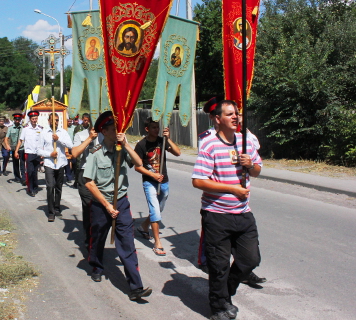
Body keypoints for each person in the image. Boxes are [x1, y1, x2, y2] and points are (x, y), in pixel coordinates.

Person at [192, 100, 262, 320]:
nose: (235, 117)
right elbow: (198, 181)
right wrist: (231, 189)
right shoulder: (210, 145)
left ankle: (226, 294)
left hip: (242, 212)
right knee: (219, 265)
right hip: (217, 215)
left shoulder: (245, 142)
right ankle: (218, 307)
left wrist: (250, 164)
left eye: (237, 113)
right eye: (230, 114)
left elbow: (258, 170)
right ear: (217, 119)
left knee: (250, 259)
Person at [83, 111, 152, 301]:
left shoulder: (123, 150)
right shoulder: (95, 155)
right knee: (98, 237)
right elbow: (89, 183)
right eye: (113, 129)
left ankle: (135, 286)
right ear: (104, 132)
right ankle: (96, 265)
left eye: (118, 128)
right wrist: (106, 205)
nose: (117, 132)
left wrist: (127, 144)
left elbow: (139, 163)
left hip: (121, 201)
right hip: (100, 203)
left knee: (127, 242)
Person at [134, 118, 181, 256]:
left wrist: (168, 139)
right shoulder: (141, 145)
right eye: (153, 127)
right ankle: (157, 243)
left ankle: (143, 226)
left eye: (157, 127)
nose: (156, 129)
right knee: (155, 211)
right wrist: (152, 175)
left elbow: (178, 153)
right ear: (147, 129)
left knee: (159, 209)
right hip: (150, 182)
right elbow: (137, 167)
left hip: (164, 181)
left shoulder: (162, 141)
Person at [71, 113, 101, 247]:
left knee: (100, 207)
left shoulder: (104, 135)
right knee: (89, 206)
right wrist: (89, 138)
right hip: (85, 174)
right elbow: (75, 153)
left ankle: (98, 236)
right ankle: (89, 238)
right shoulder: (80, 135)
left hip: (101, 175)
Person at [38, 113, 73, 222]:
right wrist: (49, 154)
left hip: (61, 163)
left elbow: (70, 145)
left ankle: (57, 208)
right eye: (53, 120)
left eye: (57, 120)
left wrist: (58, 140)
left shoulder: (63, 132)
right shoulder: (43, 133)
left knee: (58, 186)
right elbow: (38, 150)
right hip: (49, 163)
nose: (55, 122)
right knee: (50, 186)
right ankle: (51, 211)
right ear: (49, 121)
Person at [15, 111, 42, 196]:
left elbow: (43, 141)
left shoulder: (40, 129)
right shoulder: (26, 129)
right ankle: (29, 189)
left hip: (37, 153)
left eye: (36, 118)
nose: (34, 120)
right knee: (30, 171)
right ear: (30, 119)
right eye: (33, 119)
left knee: (35, 172)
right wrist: (16, 150)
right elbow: (20, 140)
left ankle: (34, 186)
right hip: (29, 153)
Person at [5, 113, 26, 185]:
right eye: (16, 119)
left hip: (22, 148)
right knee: (16, 163)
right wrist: (7, 145)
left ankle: (23, 178)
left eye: (19, 119)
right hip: (14, 147)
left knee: (22, 163)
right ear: (14, 120)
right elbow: (6, 138)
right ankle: (17, 177)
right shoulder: (10, 128)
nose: (17, 121)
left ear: (20, 120)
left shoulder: (23, 128)